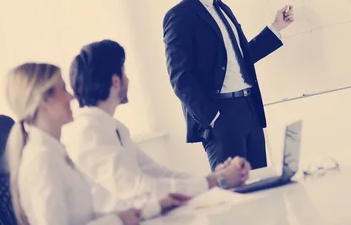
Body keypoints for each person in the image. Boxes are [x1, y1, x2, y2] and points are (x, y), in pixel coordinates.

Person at [62, 40, 251, 220]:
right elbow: (141, 191)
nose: (128, 78)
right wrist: (217, 182)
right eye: (124, 72)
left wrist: (214, 177)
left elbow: (160, 173)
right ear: (115, 81)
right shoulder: (88, 132)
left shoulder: (114, 127)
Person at [162, 0, 295, 170]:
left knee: (261, 186)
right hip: (220, 117)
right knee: (236, 195)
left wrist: (275, 27)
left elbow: (239, 58)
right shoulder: (179, 16)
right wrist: (212, 118)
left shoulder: (223, 9)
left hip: (249, 109)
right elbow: (179, 77)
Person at [5, 62, 141, 225]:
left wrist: (149, 208)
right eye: (63, 89)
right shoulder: (42, 160)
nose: (72, 97)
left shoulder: (54, 152)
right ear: (44, 100)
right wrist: (117, 220)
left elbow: (81, 217)